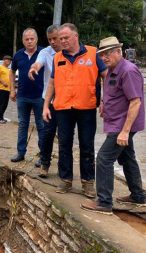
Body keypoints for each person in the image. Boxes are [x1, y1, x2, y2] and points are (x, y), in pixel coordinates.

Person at [81, 36, 145, 215]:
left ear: (119, 51)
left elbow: (135, 102)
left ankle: (104, 202)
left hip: (123, 125)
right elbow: (112, 91)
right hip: (117, 121)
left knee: (103, 159)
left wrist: (125, 132)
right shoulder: (112, 69)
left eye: (108, 53)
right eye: (101, 54)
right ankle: (139, 196)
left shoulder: (128, 71)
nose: (104, 57)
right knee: (127, 157)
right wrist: (104, 103)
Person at [42, 23, 107, 197]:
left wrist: (107, 99)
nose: (62, 41)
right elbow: (52, 83)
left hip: (86, 107)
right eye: (60, 39)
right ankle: (65, 180)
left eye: (65, 38)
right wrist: (45, 105)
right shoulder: (57, 58)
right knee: (64, 145)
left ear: (75, 37)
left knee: (86, 145)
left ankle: (87, 183)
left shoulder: (93, 54)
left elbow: (107, 76)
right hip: (63, 108)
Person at [28, 24, 62, 177]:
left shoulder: (69, 53)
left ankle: (64, 167)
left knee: (65, 136)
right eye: (50, 39)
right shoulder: (45, 52)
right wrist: (33, 68)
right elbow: (38, 62)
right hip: (48, 100)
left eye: (55, 38)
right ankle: (44, 163)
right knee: (47, 134)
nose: (53, 42)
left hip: (66, 101)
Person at [9, 28, 45, 164]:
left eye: (32, 39)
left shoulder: (43, 53)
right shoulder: (18, 55)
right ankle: (20, 152)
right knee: (22, 124)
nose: (29, 41)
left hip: (40, 97)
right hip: (22, 96)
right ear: (23, 40)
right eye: (27, 39)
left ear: (36, 39)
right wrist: (12, 89)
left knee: (41, 126)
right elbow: (11, 72)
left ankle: (43, 155)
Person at [0, 55, 12, 123]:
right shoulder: (0, 67)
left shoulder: (8, 70)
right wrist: (3, 82)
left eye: (10, 60)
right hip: (0, 89)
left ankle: (1, 117)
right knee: (0, 104)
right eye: (7, 59)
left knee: (5, 104)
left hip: (7, 90)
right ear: (4, 60)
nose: (9, 61)